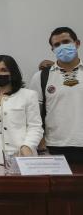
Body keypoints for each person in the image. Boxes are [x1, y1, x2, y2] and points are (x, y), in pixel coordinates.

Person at [29, 26, 83, 163]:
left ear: (77, 43)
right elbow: (33, 115)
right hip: (54, 147)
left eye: (66, 42)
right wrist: (40, 144)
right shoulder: (41, 77)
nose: (62, 47)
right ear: (52, 49)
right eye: (57, 45)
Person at [0, 55, 42, 164]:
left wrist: (27, 146)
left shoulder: (28, 95)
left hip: (20, 152)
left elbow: (35, 127)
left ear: (13, 73)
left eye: (3, 70)